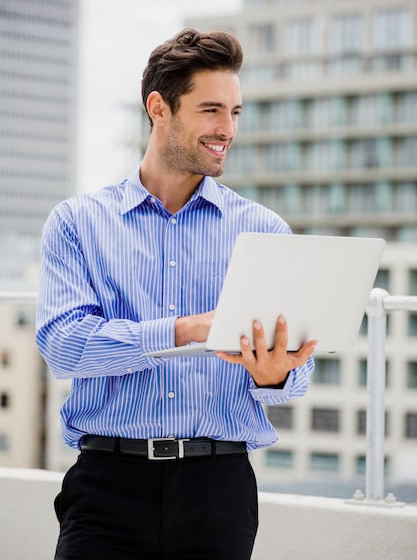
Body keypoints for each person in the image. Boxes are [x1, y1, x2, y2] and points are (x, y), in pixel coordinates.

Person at [36, 28, 317, 560]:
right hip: (105, 487)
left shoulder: (264, 230)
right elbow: (64, 346)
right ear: (158, 107)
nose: (227, 129)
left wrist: (275, 371)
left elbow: (293, 380)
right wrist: (185, 330)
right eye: (211, 110)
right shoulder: (78, 223)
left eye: (235, 112)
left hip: (220, 488)